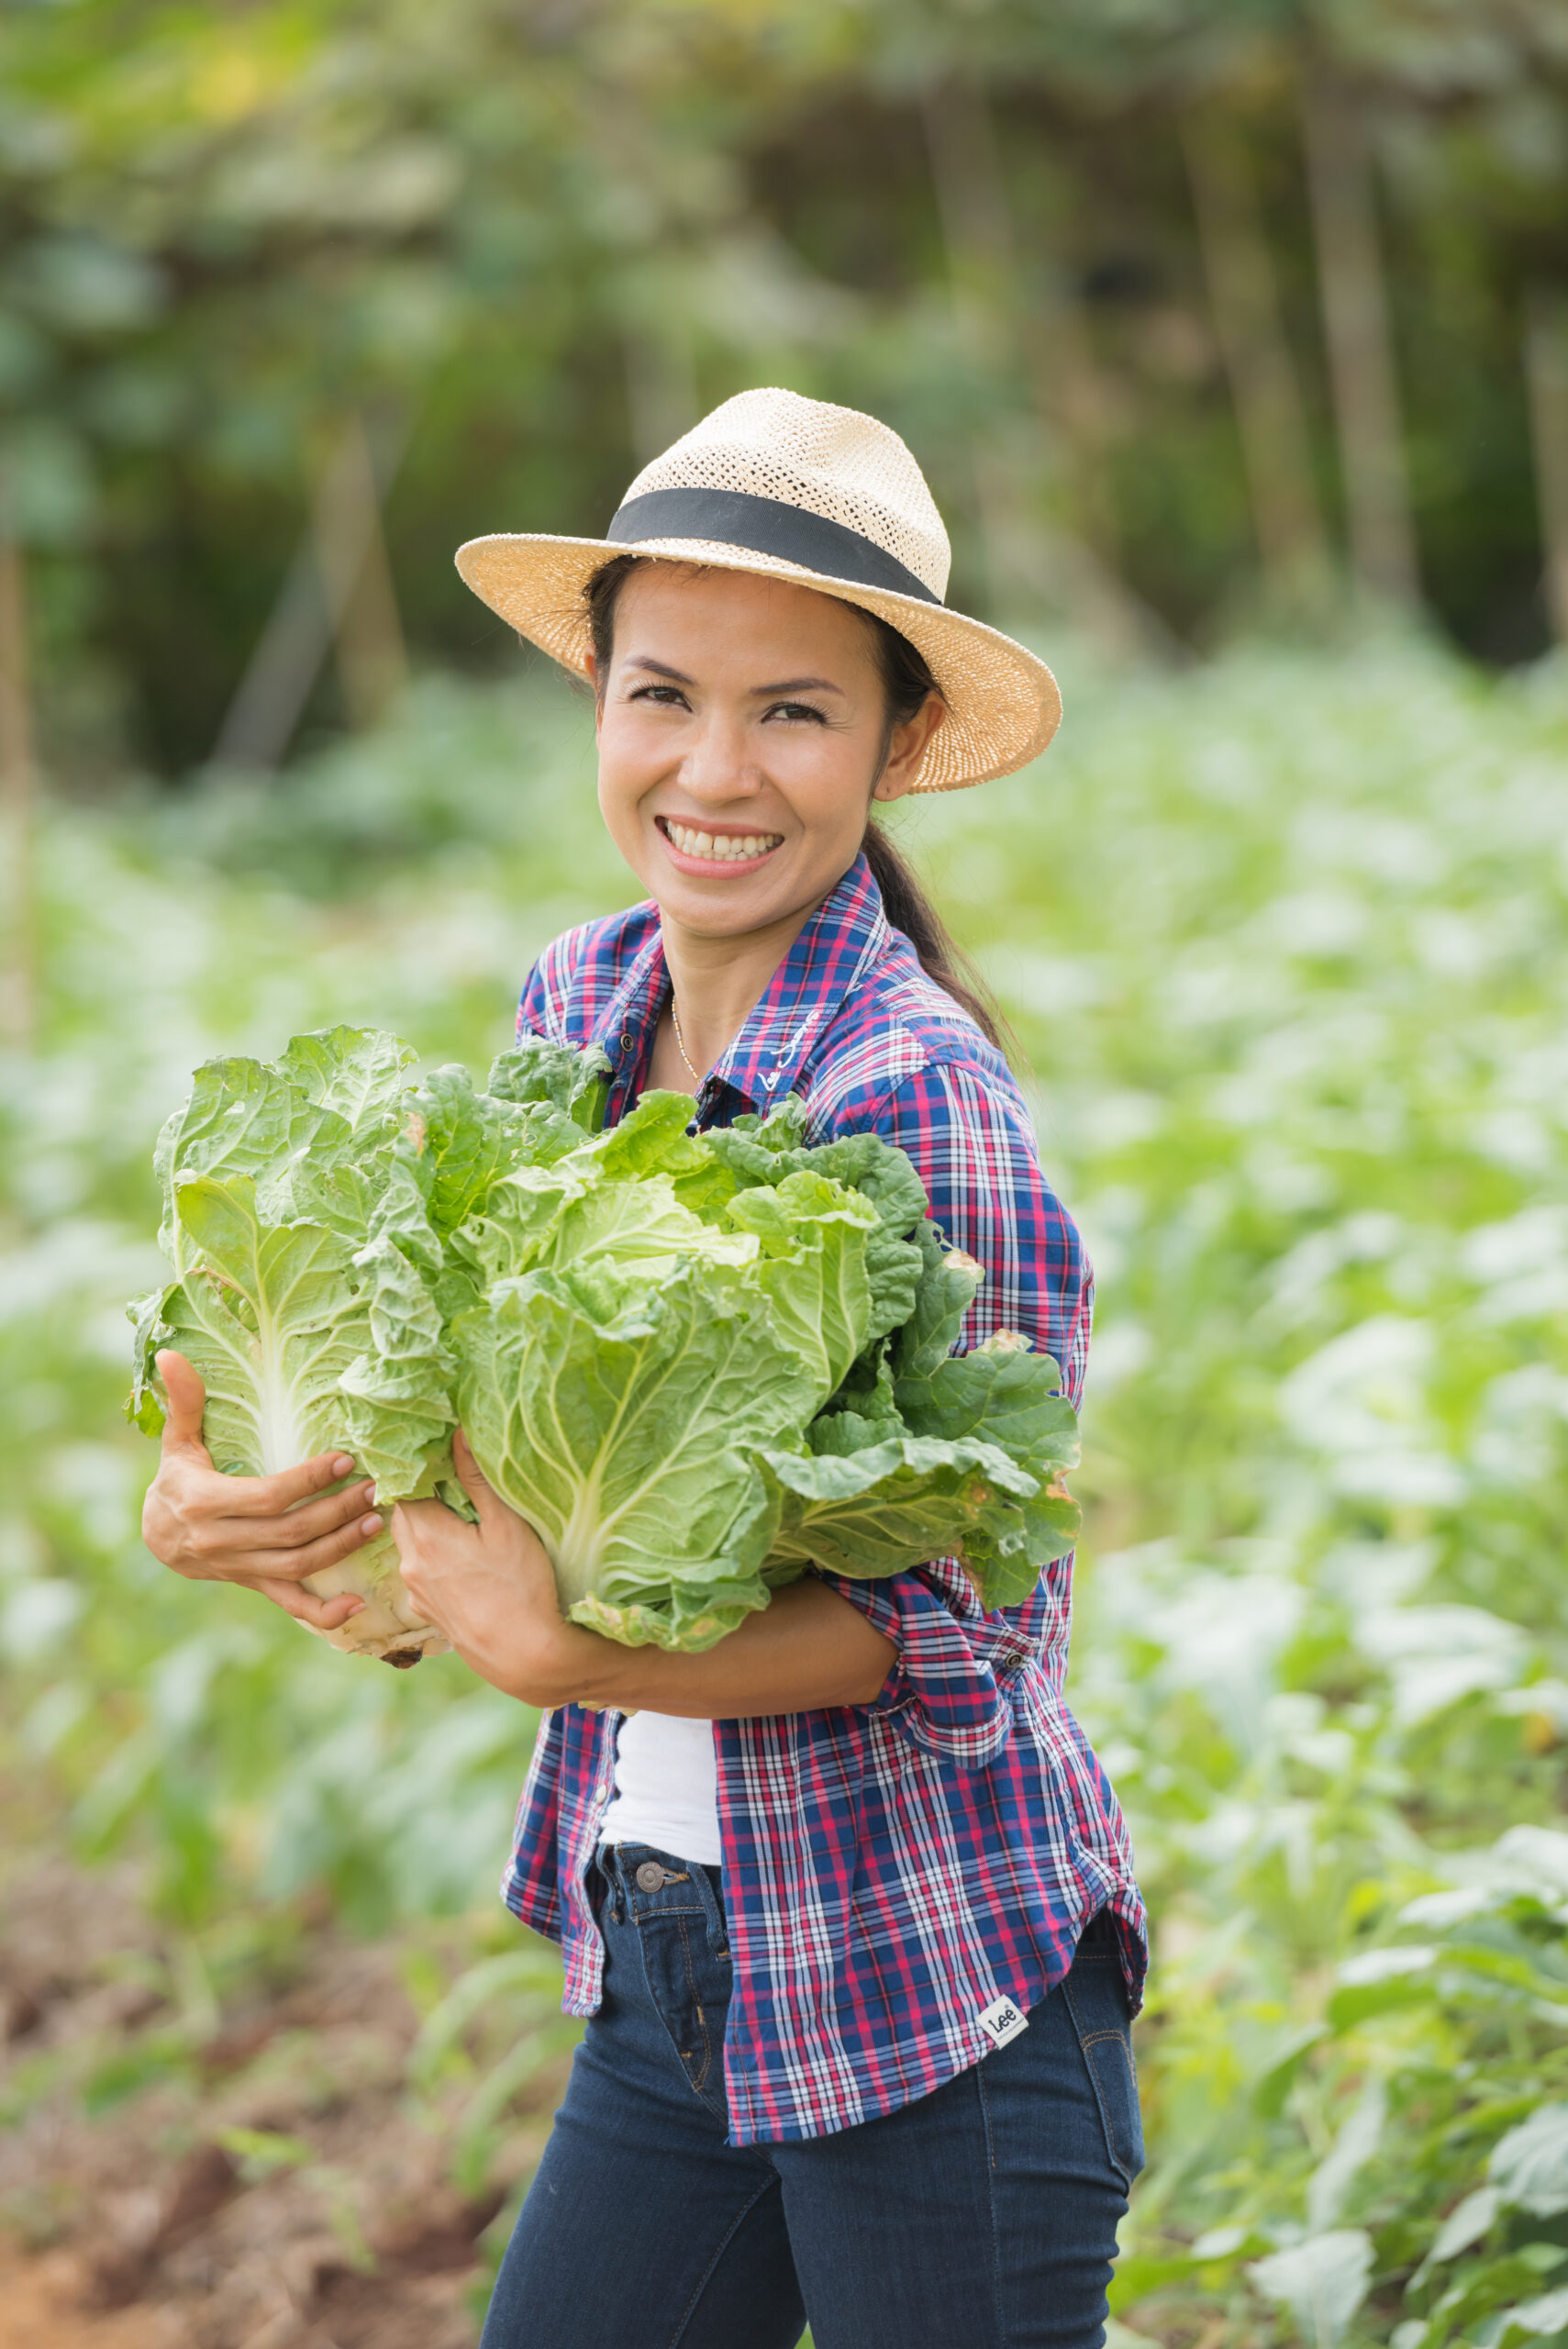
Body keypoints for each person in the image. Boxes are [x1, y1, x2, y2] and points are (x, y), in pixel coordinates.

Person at [141, 388, 1147, 2349]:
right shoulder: (576, 1004)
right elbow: (489, 1437)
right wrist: (250, 1503)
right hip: (680, 1954)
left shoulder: (917, 1095)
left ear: (897, 742)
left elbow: (972, 1633)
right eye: (662, 693)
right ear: (597, 696)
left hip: (936, 1991)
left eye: (795, 710)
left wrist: (572, 1654)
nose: (717, 768)